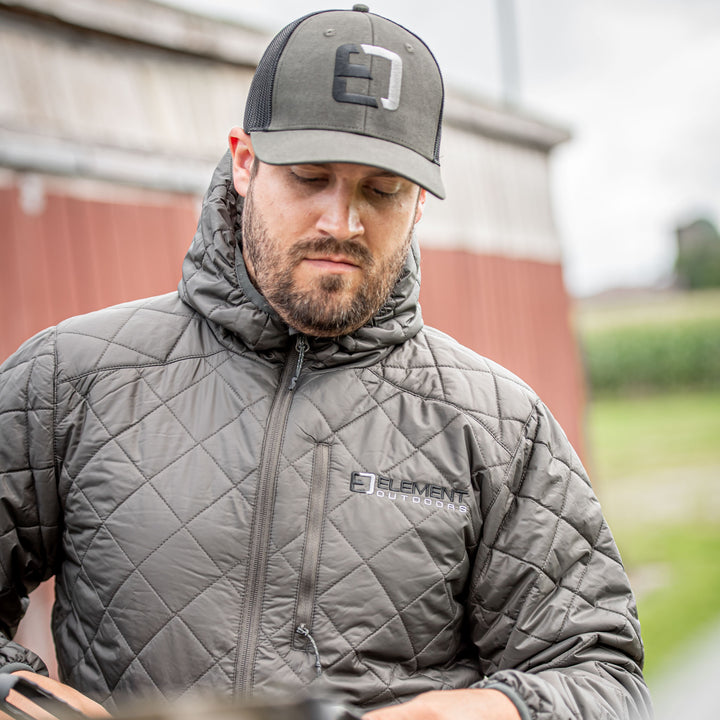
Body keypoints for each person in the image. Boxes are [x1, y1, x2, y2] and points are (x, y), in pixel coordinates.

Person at [0, 6, 653, 720]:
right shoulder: (71, 379)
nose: (342, 222)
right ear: (245, 163)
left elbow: (600, 675)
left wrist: (450, 717)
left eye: (382, 190)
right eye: (311, 176)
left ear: (420, 205)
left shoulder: (500, 428)